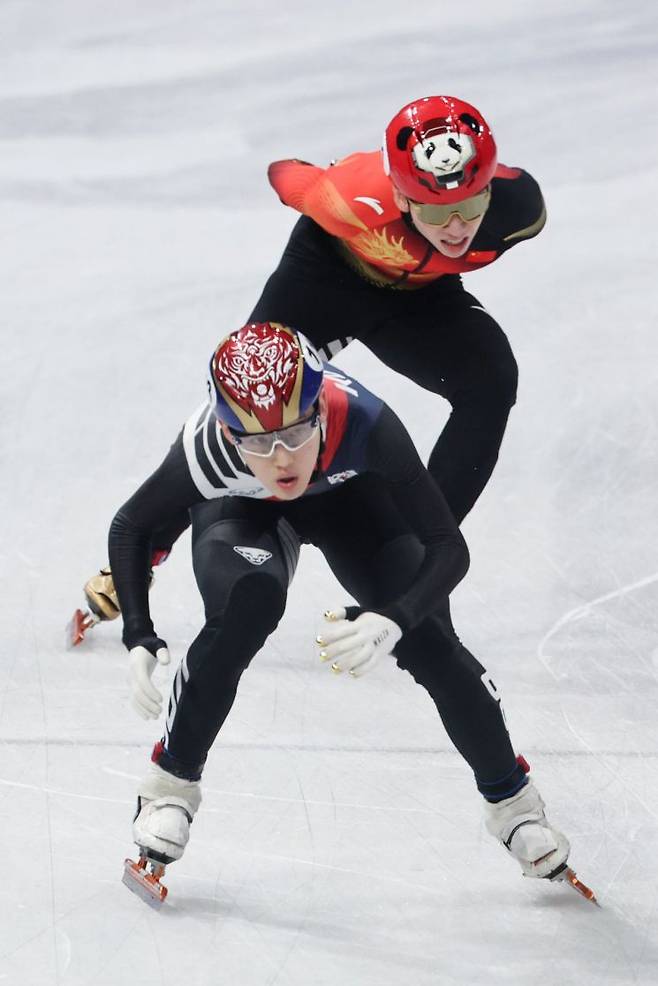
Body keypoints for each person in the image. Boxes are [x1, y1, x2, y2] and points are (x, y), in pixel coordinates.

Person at [109, 321, 587, 905]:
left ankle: (514, 806)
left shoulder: (366, 422)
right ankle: (168, 789)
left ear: (319, 410)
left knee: (428, 638)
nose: (281, 459)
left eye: (294, 434)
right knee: (245, 606)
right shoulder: (207, 448)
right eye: (256, 441)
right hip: (245, 512)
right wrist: (139, 633)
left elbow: (448, 549)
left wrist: (395, 617)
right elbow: (132, 525)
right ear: (230, 434)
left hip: (351, 501)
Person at [74, 93, 545, 638]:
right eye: (437, 211)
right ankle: (143, 553)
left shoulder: (519, 211)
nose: (457, 226)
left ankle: (412, 564)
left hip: (420, 298)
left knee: (491, 382)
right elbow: (283, 174)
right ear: (398, 193)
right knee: (251, 403)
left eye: (470, 205)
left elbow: (466, 219)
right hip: (325, 278)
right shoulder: (345, 198)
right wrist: (323, 174)